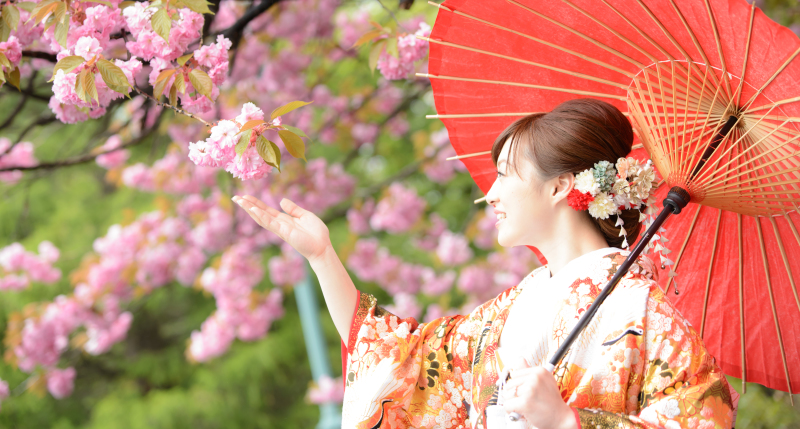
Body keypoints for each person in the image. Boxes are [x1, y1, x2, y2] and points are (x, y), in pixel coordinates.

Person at [232, 98, 737, 429]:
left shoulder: (643, 311)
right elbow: (402, 361)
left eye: (505, 175)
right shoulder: (516, 304)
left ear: (561, 187)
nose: (490, 193)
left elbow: (704, 419)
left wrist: (567, 424)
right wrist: (323, 257)